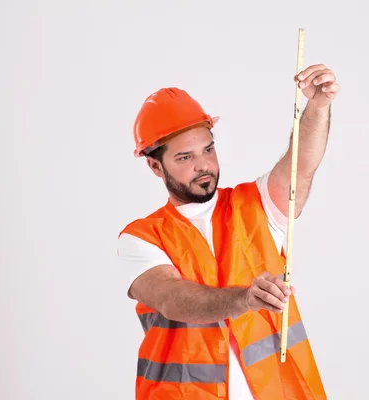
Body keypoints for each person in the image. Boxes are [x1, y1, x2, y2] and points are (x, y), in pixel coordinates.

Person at [117, 63, 339, 399]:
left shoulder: (254, 205)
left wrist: (318, 107)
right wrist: (243, 298)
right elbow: (172, 298)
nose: (202, 165)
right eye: (184, 157)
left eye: (208, 149)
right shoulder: (141, 237)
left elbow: (301, 166)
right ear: (154, 165)